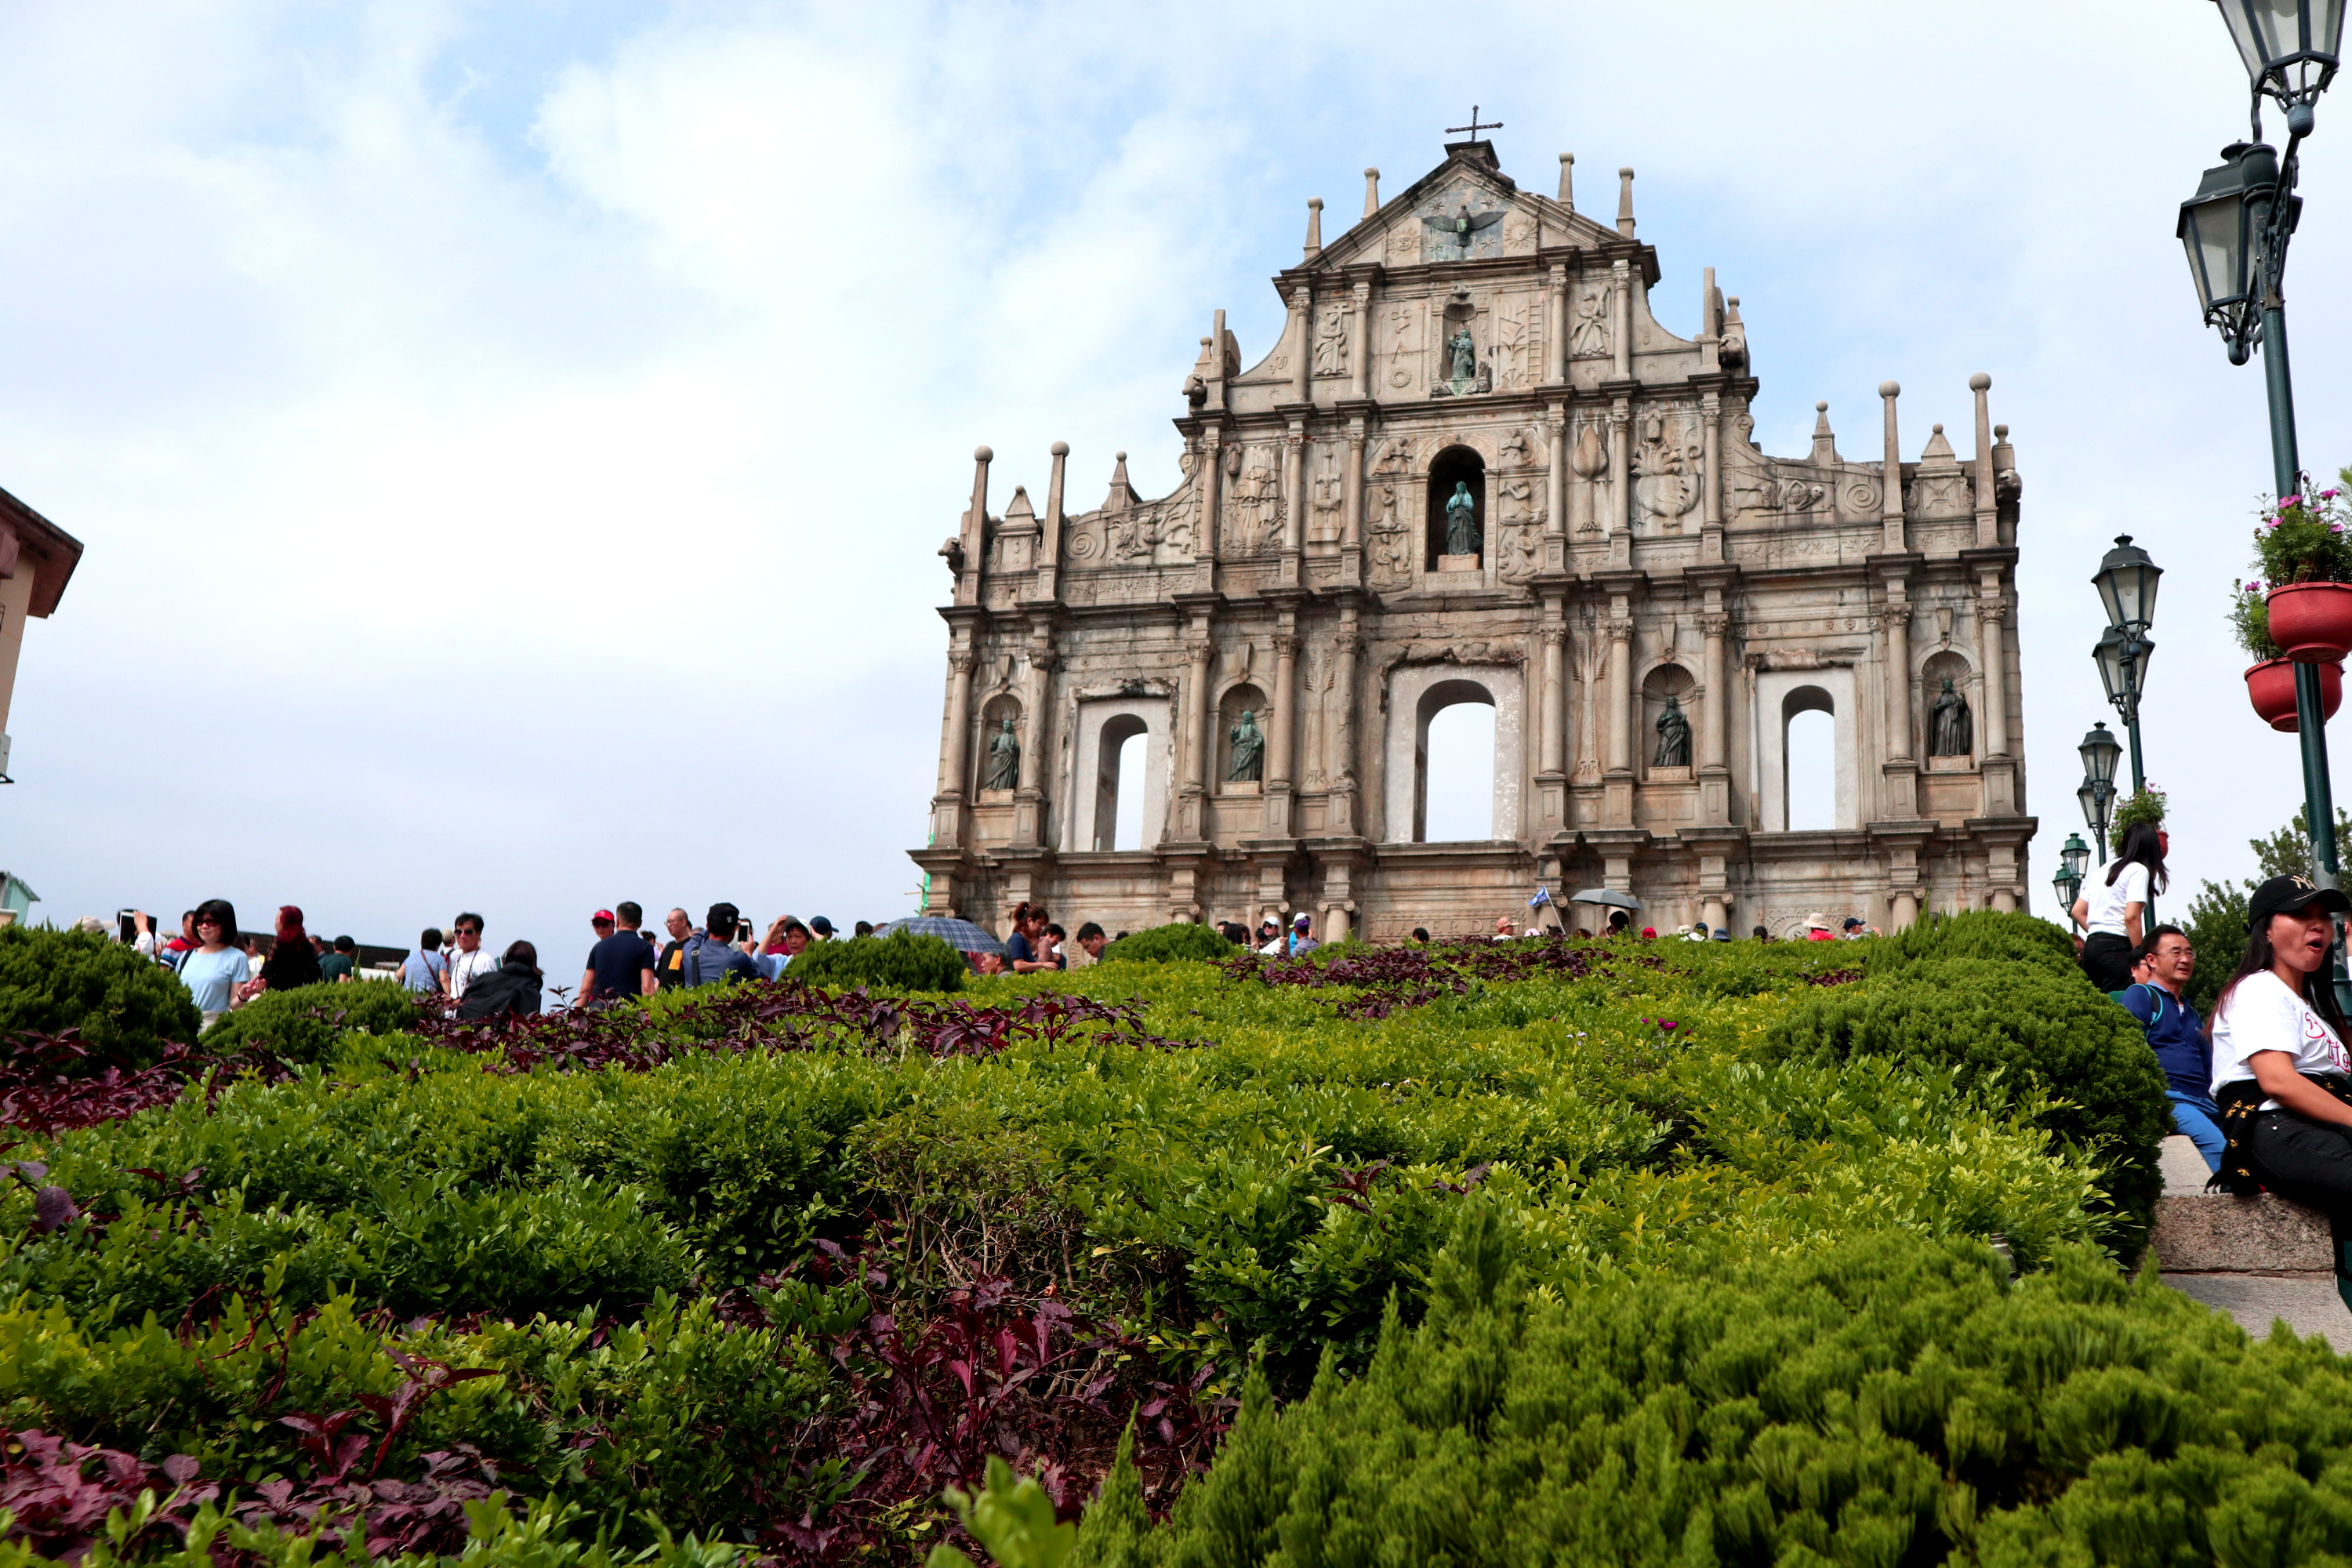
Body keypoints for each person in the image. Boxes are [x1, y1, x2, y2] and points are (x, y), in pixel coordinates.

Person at [2208, 875, 2352, 1308]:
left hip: (2312, 1126)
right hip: (2273, 1126)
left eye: (2322, 917)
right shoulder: (2258, 989)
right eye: (2301, 915)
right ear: (2266, 930)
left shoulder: (2308, 1005)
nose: (2318, 927)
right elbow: (2278, 1081)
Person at [2074, 819, 2169, 993]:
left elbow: (2077, 911)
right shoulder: (2138, 870)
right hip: (2116, 948)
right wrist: (2140, 953)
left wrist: (2101, 930)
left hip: (2092, 948)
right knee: (2120, 1007)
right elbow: (2131, 917)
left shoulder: (2102, 870)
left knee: (2097, 1009)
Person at [178, 899, 251, 1030]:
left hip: (211, 1027)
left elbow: (235, 1005)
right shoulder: (186, 956)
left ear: (226, 925)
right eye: (200, 921)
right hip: (181, 1026)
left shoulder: (237, 958)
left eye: (211, 922)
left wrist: (242, 996)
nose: (204, 926)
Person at [581, 902, 659, 1007]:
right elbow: (647, 987)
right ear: (640, 923)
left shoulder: (598, 947)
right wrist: (653, 1015)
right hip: (627, 1009)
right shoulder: (645, 947)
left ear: (617, 921)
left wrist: (575, 1019)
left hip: (598, 1009)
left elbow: (585, 989)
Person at [459, 940, 543, 1020]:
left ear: (507, 959)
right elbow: (528, 1023)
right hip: (501, 1033)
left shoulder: (482, 979)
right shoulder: (529, 986)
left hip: (463, 1031)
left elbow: (463, 1005)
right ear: (533, 963)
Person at [682, 903, 759, 988]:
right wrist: (748, 953)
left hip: (692, 1001)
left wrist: (713, 926)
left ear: (707, 926)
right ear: (734, 930)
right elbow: (757, 977)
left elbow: (698, 937)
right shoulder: (738, 958)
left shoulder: (690, 950)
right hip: (724, 1000)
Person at [261, 906, 323, 992]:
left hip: (276, 995)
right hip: (299, 996)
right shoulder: (307, 946)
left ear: (284, 923)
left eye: (277, 920)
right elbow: (315, 975)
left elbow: (266, 973)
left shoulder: (277, 944)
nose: (275, 924)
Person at [445, 913, 499, 1000]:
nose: (462, 936)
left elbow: (490, 994)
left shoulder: (485, 960)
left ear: (479, 934)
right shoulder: (459, 959)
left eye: (468, 932)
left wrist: (460, 1003)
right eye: (458, 932)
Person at [1007, 902, 1058, 973]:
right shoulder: (1017, 939)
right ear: (1029, 921)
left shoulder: (1024, 940)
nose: (1041, 928)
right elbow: (1018, 965)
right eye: (1040, 924)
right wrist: (1042, 965)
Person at [400, 928, 449, 994]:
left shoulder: (411, 957)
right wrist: (450, 996)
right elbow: (444, 980)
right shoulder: (440, 959)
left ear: (421, 942)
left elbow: (399, 975)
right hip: (426, 994)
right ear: (438, 945)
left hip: (407, 993)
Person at [657, 907, 692, 990]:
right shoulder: (669, 946)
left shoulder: (692, 946)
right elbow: (660, 978)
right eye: (667, 922)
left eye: (672, 922)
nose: (669, 925)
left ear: (683, 922)